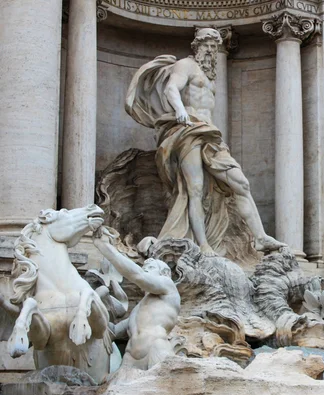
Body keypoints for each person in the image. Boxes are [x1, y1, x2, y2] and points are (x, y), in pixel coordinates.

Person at [126, 28, 285, 256]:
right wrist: (180, 110)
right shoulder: (186, 65)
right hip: (188, 129)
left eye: (214, 46)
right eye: (207, 45)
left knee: (241, 184)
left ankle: (259, 238)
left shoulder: (210, 75)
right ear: (196, 46)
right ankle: (203, 245)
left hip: (210, 134)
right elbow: (172, 88)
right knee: (195, 190)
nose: (211, 50)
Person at [93, 229, 180, 370]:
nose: (145, 271)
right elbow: (112, 330)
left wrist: (104, 247)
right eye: (144, 268)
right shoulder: (139, 309)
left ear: (164, 273)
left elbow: (137, 275)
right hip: (130, 359)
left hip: (156, 349)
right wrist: (93, 305)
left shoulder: (168, 288)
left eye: (150, 268)